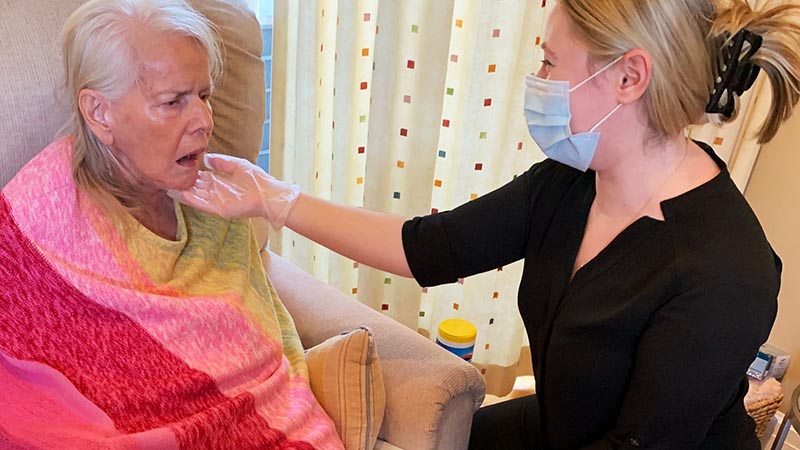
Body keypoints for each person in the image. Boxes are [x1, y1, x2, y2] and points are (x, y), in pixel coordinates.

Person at [169, 0, 800, 449]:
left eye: (551, 63)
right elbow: (429, 248)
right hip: (554, 427)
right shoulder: (572, 181)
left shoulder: (727, 272)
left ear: (629, 77)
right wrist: (274, 200)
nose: (539, 81)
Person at [0, 0, 345, 449]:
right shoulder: (36, 219)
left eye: (204, 95)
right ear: (100, 113)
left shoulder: (220, 201)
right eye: (173, 102)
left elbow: (259, 360)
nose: (204, 122)